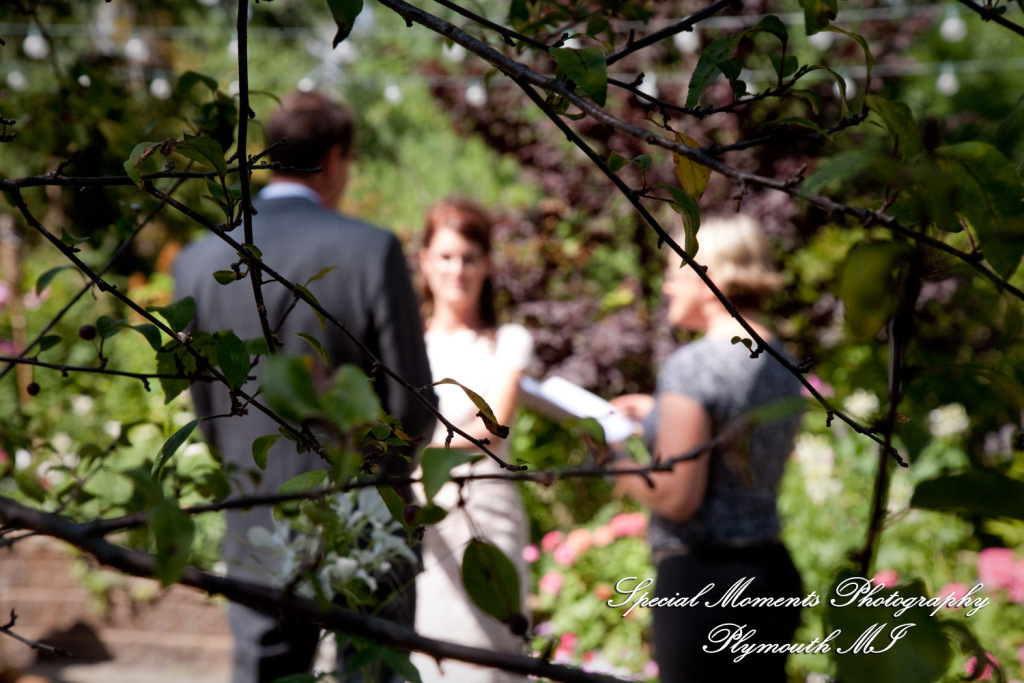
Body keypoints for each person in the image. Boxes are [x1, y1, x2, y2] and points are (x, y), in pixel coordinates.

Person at [173, 89, 436, 683]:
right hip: (365, 517)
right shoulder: (371, 250)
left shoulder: (196, 260)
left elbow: (206, 408)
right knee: (373, 672)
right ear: (337, 157)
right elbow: (413, 406)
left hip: (256, 517)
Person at [610, 214, 804, 683]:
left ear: (710, 274)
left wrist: (612, 461)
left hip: (705, 583)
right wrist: (659, 411)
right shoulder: (781, 359)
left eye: (674, 270)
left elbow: (678, 498)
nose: (665, 287)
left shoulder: (694, 366)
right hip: (771, 573)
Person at [409, 198, 533, 683]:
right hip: (421, 515)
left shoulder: (508, 341)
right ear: (424, 260)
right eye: (444, 256)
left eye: (469, 257)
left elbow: (494, 423)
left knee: (486, 655)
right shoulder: (405, 343)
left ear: (486, 263)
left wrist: (421, 450)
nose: (456, 269)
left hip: (484, 513)